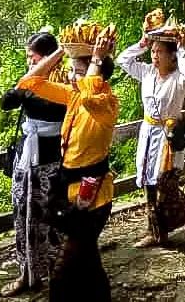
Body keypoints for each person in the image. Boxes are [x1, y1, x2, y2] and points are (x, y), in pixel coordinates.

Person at [16, 33, 119, 301]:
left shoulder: (104, 104)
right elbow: (30, 82)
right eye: (72, 71)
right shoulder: (73, 96)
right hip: (70, 192)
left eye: (80, 72)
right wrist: (62, 51)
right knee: (88, 261)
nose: (74, 77)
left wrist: (96, 59)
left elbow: (91, 90)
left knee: (63, 271)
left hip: (94, 199)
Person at [116, 20, 185, 247]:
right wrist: (142, 43)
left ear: (171, 56)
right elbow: (122, 60)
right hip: (148, 132)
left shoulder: (178, 79)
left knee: (166, 182)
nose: (154, 56)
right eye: (153, 51)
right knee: (148, 182)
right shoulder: (146, 73)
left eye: (160, 51)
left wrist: (182, 48)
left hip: (169, 135)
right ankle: (155, 231)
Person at [0, 32, 68, 296]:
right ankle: (27, 272)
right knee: (23, 217)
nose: (30, 62)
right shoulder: (29, 83)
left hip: (52, 163)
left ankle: (57, 271)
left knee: (52, 219)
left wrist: (51, 64)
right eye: (29, 57)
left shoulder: (64, 84)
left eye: (34, 57)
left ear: (50, 59)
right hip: (27, 161)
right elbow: (8, 101)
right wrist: (35, 74)